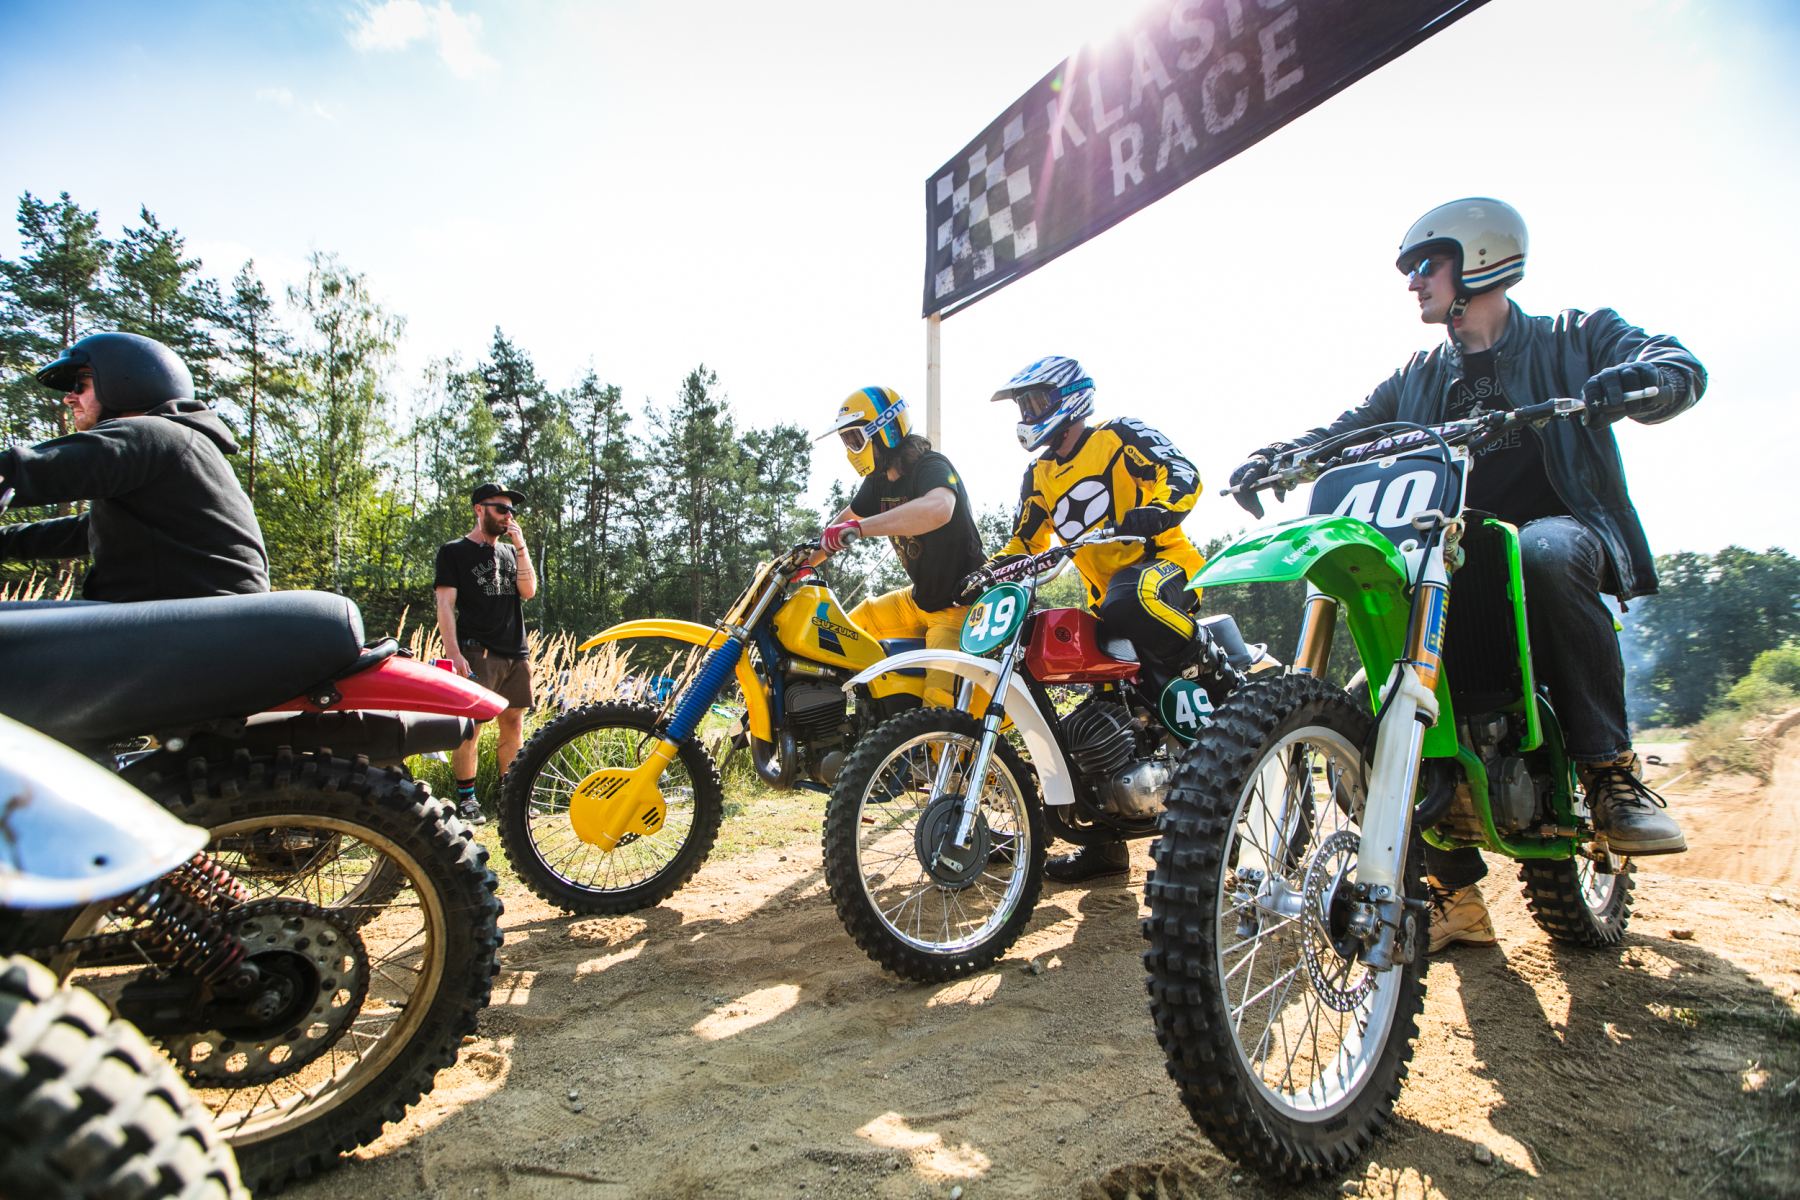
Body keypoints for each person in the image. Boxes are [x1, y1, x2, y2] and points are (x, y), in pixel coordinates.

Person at [1226, 197, 1704, 952]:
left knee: (1543, 550)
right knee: (1376, 700)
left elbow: (1674, 362)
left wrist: (1644, 379)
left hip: (1553, 534)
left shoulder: (1574, 337)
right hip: (1442, 557)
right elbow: (1348, 430)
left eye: (1427, 264)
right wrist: (1281, 456)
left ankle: (1611, 776)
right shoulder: (1418, 377)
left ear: (1481, 259)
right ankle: (1454, 896)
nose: (1413, 281)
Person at [986, 356, 1204, 883]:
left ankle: (1211, 668)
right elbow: (1025, 542)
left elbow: (1184, 473)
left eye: (1036, 401)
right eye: (1023, 405)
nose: (1027, 413)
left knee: (1129, 598)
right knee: (1092, 711)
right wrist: (989, 570)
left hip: (1165, 569)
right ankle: (1105, 846)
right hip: (1106, 603)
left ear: (1071, 398)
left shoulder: (1119, 435)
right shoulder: (1039, 475)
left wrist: (1158, 509)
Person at [0, 332, 268, 600]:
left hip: (189, 617)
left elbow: (27, 470)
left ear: (124, 383)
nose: (69, 398)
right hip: (202, 613)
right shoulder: (177, 444)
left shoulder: (153, 433)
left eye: (81, 385)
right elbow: (94, 528)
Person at [813, 387, 986, 711]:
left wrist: (860, 528)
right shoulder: (877, 482)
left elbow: (939, 508)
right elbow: (843, 522)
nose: (851, 450)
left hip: (960, 607)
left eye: (855, 439)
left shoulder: (932, 465)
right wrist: (802, 564)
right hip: (918, 599)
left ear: (885, 432)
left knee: (939, 712)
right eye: (846, 441)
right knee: (831, 634)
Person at [435, 482, 538, 825]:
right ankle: (467, 801)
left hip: (515, 652)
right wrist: (454, 653)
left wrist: (520, 546)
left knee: (513, 723)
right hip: (476, 651)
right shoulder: (454, 552)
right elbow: (445, 605)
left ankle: (510, 799)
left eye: (512, 510)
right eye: (501, 508)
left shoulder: (511, 552)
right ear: (479, 509)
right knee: (472, 727)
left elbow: (528, 591)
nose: (508, 515)